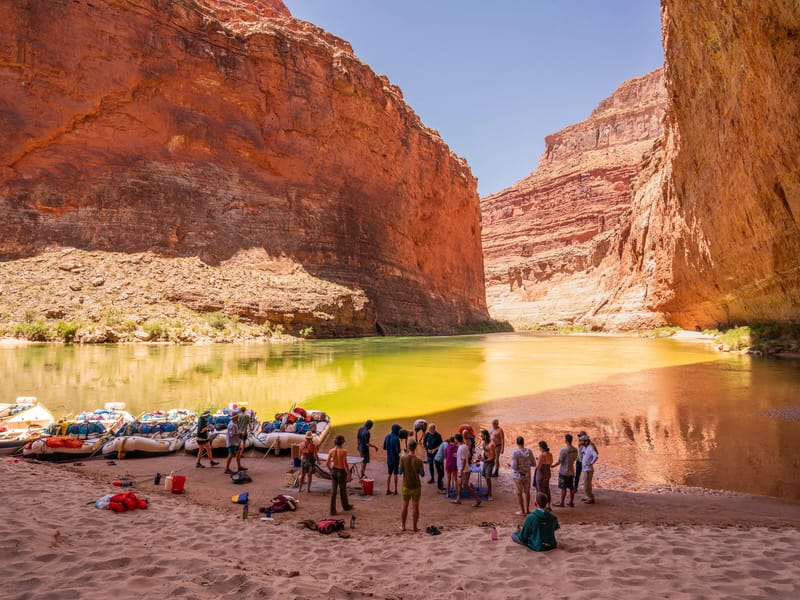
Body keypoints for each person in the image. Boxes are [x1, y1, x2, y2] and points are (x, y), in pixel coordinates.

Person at [399, 439, 425, 532]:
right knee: (415, 507)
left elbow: (400, 472)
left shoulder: (403, 458)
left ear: (408, 447)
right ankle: (414, 527)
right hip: (416, 486)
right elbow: (422, 474)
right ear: (415, 447)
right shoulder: (418, 460)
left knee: (405, 506)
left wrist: (403, 455)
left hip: (406, 485)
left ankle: (403, 526)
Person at [326, 434, 353, 514]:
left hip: (334, 471)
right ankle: (346, 506)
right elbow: (345, 464)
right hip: (341, 472)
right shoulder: (344, 451)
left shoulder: (331, 451)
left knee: (333, 491)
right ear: (342, 442)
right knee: (343, 490)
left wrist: (331, 470)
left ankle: (332, 510)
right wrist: (349, 474)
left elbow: (327, 463)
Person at [453, 433, 481, 507]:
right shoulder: (465, 446)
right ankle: (458, 499)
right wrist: (458, 455)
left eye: (455, 439)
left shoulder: (461, 448)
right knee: (459, 483)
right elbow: (468, 455)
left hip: (464, 469)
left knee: (465, 485)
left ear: (457, 440)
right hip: (464, 468)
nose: (454, 440)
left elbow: (464, 460)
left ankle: (477, 499)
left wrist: (461, 471)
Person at [551, 433, 578, 507]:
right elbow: (575, 458)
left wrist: (553, 466)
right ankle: (571, 502)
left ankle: (562, 503)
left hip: (563, 471)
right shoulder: (575, 450)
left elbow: (560, 461)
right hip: (571, 471)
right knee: (571, 487)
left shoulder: (564, 450)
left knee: (563, 488)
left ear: (566, 440)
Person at [510, 436, 534, 515]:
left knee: (519, 493)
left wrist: (510, 464)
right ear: (523, 442)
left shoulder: (516, 453)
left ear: (517, 443)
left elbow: (514, 466)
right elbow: (533, 463)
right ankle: (527, 510)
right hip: (527, 475)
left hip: (518, 476)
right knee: (527, 492)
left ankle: (522, 511)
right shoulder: (529, 451)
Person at [579, 433, 598, 504]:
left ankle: (590, 498)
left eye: (582, 441)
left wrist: (591, 463)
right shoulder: (585, 447)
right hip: (585, 469)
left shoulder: (590, 448)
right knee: (586, 484)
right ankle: (588, 496)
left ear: (586, 441)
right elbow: (582, 455)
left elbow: (596, 456)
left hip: (588, 470)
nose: (581, 442)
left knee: (586, 485)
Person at [383, 424, 401, 495]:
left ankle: (387, 489)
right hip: (395, 459)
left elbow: (384, 447)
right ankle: (395, 490)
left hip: (389, 459)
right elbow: (397, 451)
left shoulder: (387, 436)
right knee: (395, 474)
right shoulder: (396, 439)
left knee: (389, 473)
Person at [534, 440, 553, 506]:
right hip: (547, 473)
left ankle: (541, 505)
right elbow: (550, 463)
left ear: (541, 448)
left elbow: (538, 467)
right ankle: (548, 505)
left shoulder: (542, 456)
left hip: (541, 475)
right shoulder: (550, 454)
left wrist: (537, 461)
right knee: (547, 488)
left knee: (540, 490)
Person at [479, 428, 496, 501]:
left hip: (490, 462)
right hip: (485, 461)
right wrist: (480, 457)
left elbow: (493, 457)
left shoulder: (491, 444)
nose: (481, 437)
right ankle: (488, 492)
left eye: (482, 436)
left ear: (485, 436)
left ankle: (490, 495)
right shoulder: (484, 443)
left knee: (488, 478)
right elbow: (484, 452)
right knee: (485, 476)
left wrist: (484, 460)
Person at [574, 430, 586, 496]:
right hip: (578, 460)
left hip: (583, 461)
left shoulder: (587, 445)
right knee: (577, 475)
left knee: (585, 476)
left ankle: (586, 489)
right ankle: (575, 488)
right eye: (580, 436)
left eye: (581, 436)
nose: (580, 438)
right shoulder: (580, 443)